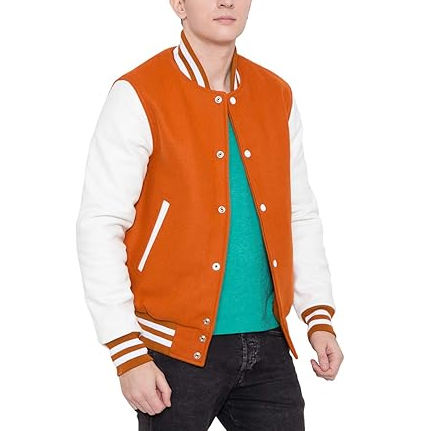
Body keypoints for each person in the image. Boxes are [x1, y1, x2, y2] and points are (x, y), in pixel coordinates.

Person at [76, 0, 344, 429]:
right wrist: (126, 351)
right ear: (179, 3)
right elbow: (100, 224)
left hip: (268, 343)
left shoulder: (276, 94)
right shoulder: (139, 93)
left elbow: (299, 214)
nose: (226, 1)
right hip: (173, 350)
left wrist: (318, 316)